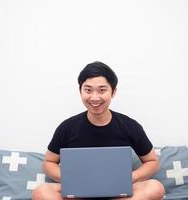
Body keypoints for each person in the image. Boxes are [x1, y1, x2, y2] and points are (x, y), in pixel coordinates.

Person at [32, 61, 165, 200]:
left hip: (118, 192)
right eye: (88, 90)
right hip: (79, 192)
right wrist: (72, 179)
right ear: (80, 91)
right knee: (41, 192)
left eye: (102, 90)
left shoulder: (129, 126)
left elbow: (152, 161)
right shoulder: (67, 127)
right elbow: (48, 162)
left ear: (113, 92)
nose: (95, 97)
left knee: (155, 187)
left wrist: (129, 177)